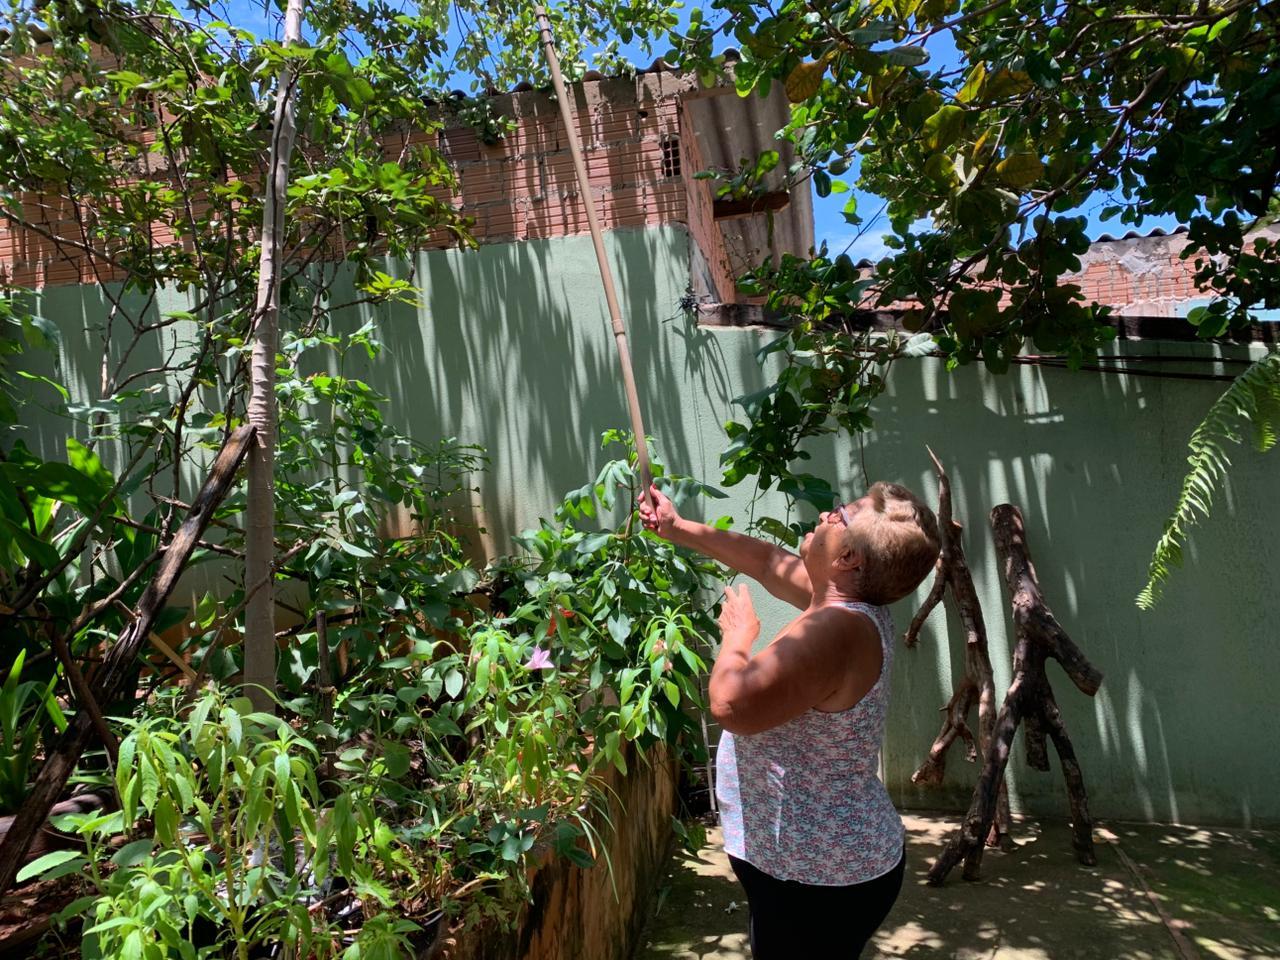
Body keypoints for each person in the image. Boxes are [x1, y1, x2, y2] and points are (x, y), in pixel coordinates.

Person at [638, 481, 941, 959]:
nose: (825, 515)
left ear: (848, 558)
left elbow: (731, 707)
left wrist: (738, 637)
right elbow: (765, 562)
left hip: (819, 879)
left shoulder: (838, 629)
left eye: (839, 515)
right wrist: (677, 528)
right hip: (810, 864)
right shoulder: (842, 601)